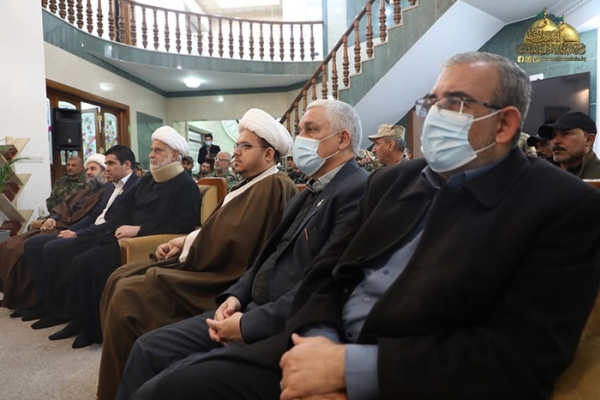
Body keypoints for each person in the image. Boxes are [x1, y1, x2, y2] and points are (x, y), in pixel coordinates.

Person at [132, 52, 600, 400]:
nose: (435, 115)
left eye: (454, 102)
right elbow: (326, 276)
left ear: (504, 125)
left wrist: (349, 369)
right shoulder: (395, 182)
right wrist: (319, 347)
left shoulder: (563, 206)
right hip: (316, 342)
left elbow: (520, 355)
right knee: (170, 386)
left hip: (409, 374)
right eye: (432, 101)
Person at [97, 108, 300, 400]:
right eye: (237, 144)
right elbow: (217, 228)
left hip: (221, 277)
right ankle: (122, 383)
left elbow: (239, 242)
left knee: (129, 294)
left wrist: (190, 246)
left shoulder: (275, 186)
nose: (236, 152)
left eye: (245, 146)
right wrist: (184, 242)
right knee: (120, 276)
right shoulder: (247, 184)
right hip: (206, 261)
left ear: (269, 154)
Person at [44, 127, 201, 348]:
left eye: (158, 150)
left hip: (144, 242)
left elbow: (182, 225)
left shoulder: (185, 185)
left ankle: (93, 328)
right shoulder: (148, 179)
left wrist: (139, 230)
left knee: (89, 262)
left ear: (175, 155)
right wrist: (117, 225)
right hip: (122, 235)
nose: (151, 155)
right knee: (78, 257)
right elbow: (124, 205)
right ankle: (79, 320)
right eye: (152, 149)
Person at [23, 146, 141, 326]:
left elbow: (113, 222)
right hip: (92, 230)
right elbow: (92, 216)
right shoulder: (111, 187)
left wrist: (78, 233)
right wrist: (72, 229)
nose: (107, 168)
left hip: (105, 234)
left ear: (127, 165)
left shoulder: (135, 186)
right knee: (34, 244)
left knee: (57, 249)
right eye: (106, 164)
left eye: (110, 164)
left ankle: (62, 310)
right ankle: (45, 302)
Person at [0, 154, 107, 312]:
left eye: (93, 169)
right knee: (10, 245)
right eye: (88, 169)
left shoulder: (105, 193)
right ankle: (21, 298)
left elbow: (91, 218)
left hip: (72, 230)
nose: (89, 172)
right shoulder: (85, 191)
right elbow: (64, 207)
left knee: (27, 247)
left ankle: (37, 300)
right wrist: (52, 218)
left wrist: (73, 231)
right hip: (60, 225)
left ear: (104, 172)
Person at [538, 111, 600, 178]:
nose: (555, 141)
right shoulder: (540, 173)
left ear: (588, 140)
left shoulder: (597, 177)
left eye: (566, 133)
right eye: (553, 135)